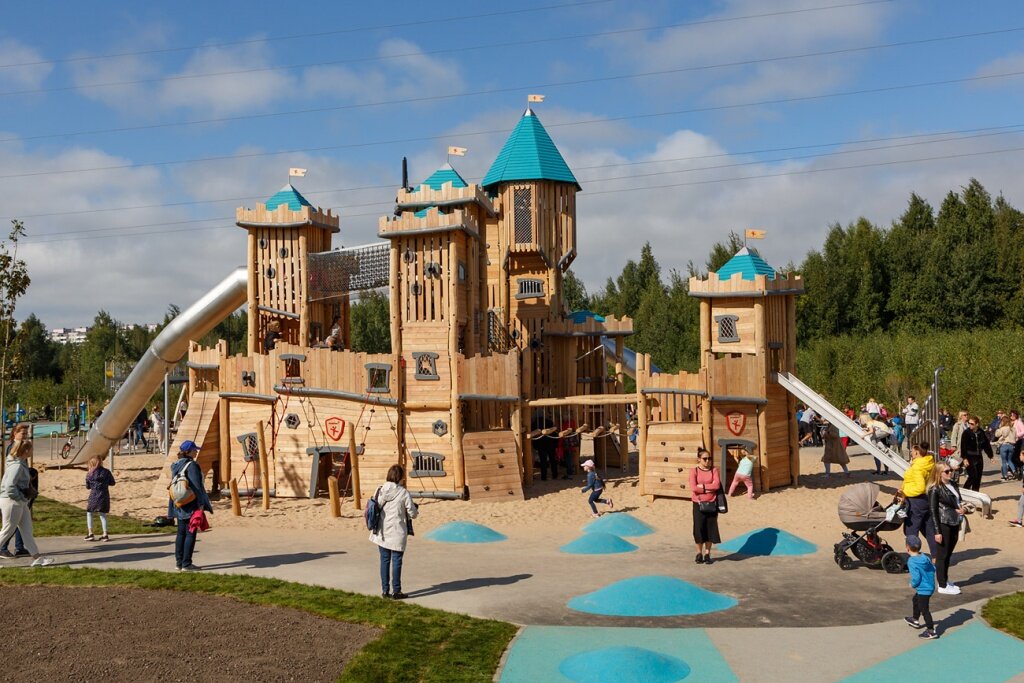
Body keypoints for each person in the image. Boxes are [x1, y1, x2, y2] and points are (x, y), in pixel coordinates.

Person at [369, 465, 418, 600]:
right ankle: (396, 591)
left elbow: (375, 507)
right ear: (400, 477)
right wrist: (414, 510)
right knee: (397, 561)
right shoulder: (404, 493)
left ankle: (385, 591)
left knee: (384, 560)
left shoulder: (379, 489)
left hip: (381, 531)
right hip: (397, 532)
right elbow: (413, 514)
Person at [0, 441, 53, 567]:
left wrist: (22, 499)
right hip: (12, 502)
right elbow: (9, 486)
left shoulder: (20, 463)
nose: (33, 451)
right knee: (8, 529)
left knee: (27, 530)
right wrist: (19, 498)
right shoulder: (17, 466)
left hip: (20, 502)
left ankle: (37, 558)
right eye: (31, 449)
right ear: (26, 451)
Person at [167, 440, 213, 572]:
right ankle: (186, 564)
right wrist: (201, 504)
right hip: (190, 502)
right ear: (188, 451)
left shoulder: (176, 464)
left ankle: (179, 563)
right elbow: (197, 486)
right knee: (190, 533)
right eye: (194, 450)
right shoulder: (191, 465)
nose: (196, 452)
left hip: (179, 502)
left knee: (181, 533)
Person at [928, 461, 965, 595]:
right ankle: (942, 585)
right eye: (947, 471)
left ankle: (945, 579)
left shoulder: (953, 484)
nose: (950, 473)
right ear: (939, 473)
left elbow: (958, 501)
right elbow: (933, 511)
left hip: (954, 521)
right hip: (943, 523)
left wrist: (963, 509)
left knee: (948, 553)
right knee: (942, 555)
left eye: (951, 470)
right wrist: (937, 531)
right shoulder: (934, 489)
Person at [0, 423, 32, 557]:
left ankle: (20, 547)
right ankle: (3, 547)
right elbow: (13, 474)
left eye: (26, 433)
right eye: (22, 433)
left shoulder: (23, 446)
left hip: (22, 492)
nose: (25, 435)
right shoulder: (15, 448)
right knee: (10, 525)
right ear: (15, 433)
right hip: (15, 494)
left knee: (22, 523)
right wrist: (18, 495)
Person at [899, 444, 936, 556]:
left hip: (915, 501)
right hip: (926, 499)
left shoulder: (917, 467)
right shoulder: (928, 463)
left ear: (916, 452)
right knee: (929, 529)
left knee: (911, 530)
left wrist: (905, 491)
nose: (910, 453)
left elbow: (920, 487)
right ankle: (936, 556)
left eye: (911, 451)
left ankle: (914, 557)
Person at [689, 447, 721, 565]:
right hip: (698, 504)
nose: (708, 461)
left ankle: (707, 553)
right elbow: (693, 488)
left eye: (709, 458)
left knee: (710, 528)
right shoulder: (694, 471)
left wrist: (702, 487)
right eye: (705, 459)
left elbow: (716, 485)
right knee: (699, 528)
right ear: (699, 459)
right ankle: (699, 553)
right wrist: (708, 488)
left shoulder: (714, 470)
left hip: (712, 503)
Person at [904, 536, 938, 639]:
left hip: (924, 589)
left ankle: (931, 631)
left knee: (924, 609)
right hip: (930, 586)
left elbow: (916, 577)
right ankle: (915, 619)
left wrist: (912, 584)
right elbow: (933, 568)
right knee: (915, 599)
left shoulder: (912, 561)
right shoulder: (925, 557)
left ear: (907, 547)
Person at [85, 455, 116, 542]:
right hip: (104, 495)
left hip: (93, 496)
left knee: (89, 513)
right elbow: (112, 483)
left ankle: (90, 533)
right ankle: (105, 534)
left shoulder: (90, 474)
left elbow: (88, 486)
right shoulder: (106, 472)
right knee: (102, 514)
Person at [958, 416, 993, 492]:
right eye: (969, 423)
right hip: (969, 456)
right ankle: (964, 492)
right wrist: (964, 458)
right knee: (973, 476)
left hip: (978, 457)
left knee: (978, 477)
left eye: (972, 424)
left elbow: (986, 445)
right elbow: (963, 446)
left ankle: (975, 493)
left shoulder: (981, 432)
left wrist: (991, 456)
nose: (970, 425)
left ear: (977, 424)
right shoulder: (966, 433)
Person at [530, 412, 557, 481]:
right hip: (551, 443)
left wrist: (535, 446)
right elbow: (555, 433)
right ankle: (555, 474)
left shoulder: (534, 423)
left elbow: (533, 436)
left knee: (543, 461)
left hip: (541, 444)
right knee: (552, 459)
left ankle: (544, 476)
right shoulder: (550, 422)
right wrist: (555, 444)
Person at [994, 415, 1018, 481]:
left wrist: (998, 428)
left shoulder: (1003, 428)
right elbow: (1015, 437)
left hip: (1004, 446)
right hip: (1011, 446)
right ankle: (1014, 471)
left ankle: (1005, 476)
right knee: (1009, 460)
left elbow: (996, 435)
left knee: (1004, 462)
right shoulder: (1013, 429)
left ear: (1003, 421)